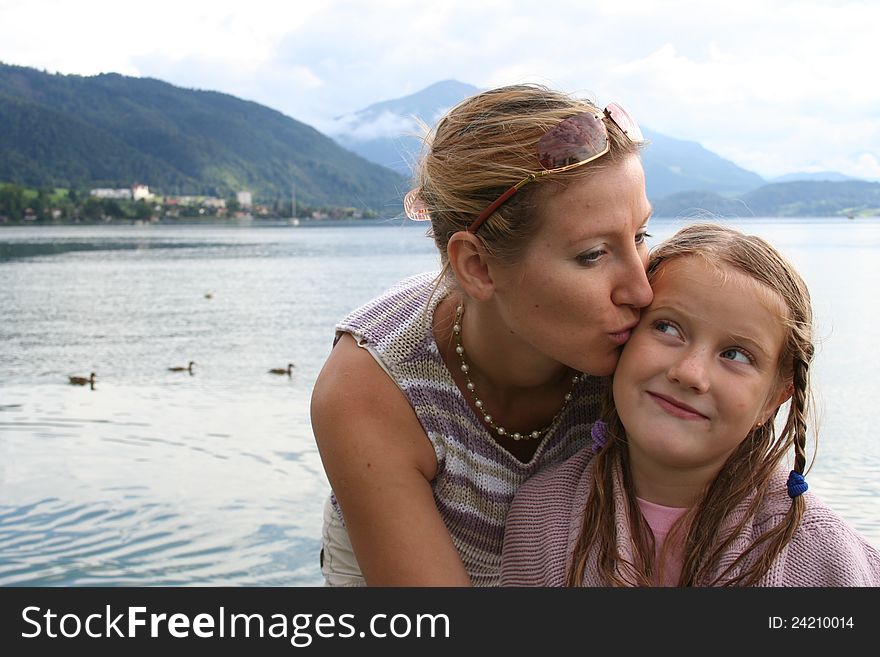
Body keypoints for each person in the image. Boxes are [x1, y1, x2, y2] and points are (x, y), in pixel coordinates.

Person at [310, 83, 655, 586]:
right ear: (478, 266)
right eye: (593, 254)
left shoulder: (650, 339)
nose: (642, 291)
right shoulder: (372, 386)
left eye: (641, 236)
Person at [500, 223, 880, 586]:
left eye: (736, 354)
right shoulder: (542, 514)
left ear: (774, 398)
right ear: (623, 338)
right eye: (667, 328)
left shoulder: (826, 558)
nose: (690, 373)